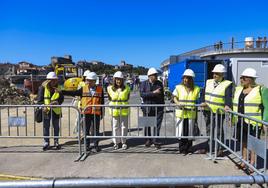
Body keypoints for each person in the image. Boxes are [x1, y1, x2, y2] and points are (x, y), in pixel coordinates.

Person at [62, 72, 104, 152]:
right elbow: (74, 93)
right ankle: (87, 145)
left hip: (96, 113)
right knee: (86, 130)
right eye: (88, 80)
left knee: (96, 130)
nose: (89, 82)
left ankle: (96, 146)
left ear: (95, 81)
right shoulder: (83, 88)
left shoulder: (100, 89)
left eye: (91, 80)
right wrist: (63, 92)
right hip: (86, 113)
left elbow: (102, 102)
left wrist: (102, 113)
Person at [233, 68, 264, 173]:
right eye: (241, 77)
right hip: (240, 120)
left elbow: (266, 107)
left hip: (253, 122)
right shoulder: (239, 89)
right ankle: (244, 160)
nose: (241, 79)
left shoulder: (260, 90)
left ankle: (252, 164)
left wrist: (265, 122)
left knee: (253, 144)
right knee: (244, 142)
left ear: (250, 79)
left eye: (244, 77)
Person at [200, 64, 233, 156]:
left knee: (219, 130)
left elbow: (228, 96)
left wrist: (227, 105)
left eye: (217, 74)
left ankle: (220, 149)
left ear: (222, 74)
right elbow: (202, 93)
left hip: (219, 112)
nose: (214, 75)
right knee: (208, 129)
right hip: (207, 110)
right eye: (214, 73)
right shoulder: (208, 82)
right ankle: (209, 147)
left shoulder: (227, 84)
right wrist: (202, 101)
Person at [172, 69, 200, 154]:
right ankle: (182, 149)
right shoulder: (178, 87)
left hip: (191, 113)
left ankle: (189, 148)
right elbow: (174, 97)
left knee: (190, 132)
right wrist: (178, 103)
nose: (185, 79)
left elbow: (199, 100)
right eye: (184, 78)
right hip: (181, 113)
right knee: (181, 132)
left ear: (191, 79)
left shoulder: (196, 89)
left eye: (188, 78)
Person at [37, 72, 64, 151]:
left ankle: (56, 141)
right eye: (51, 80)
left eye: (55, 80)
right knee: (46, 127)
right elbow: (39, 100)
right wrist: (43, 106)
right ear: (48, 80)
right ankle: (46, 142)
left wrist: (57, 102)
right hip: (47, 111)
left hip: (56, 111)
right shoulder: (43, 88)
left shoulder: (59, 87)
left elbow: (62, 98)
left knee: (56, 127)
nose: (53, 82)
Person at [140, 67, 164, 149]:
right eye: (154, 75)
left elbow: (161, 95)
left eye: (156, 75)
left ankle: (156, 140)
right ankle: (148, 140)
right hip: (147, 108)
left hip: (157, 107)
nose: (156, 76)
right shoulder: (143, 84)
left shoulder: (159, 83)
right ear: (149, 76)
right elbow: (142, 94)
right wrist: (153, 93)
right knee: (147, 125)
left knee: (157, 125)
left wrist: (162, 106)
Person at [107, 71, 131, 150]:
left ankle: (123, 142)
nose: (118, 81)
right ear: (114, 80)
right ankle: (116, 142)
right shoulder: (109, 88)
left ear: (122, 80)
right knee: (115, 127)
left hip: (124, 110)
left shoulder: (127, 88)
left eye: (120, 79)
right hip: (114, 111)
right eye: (117, 79)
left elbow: (127, 97)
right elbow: (110, 98)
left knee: (124, 127)